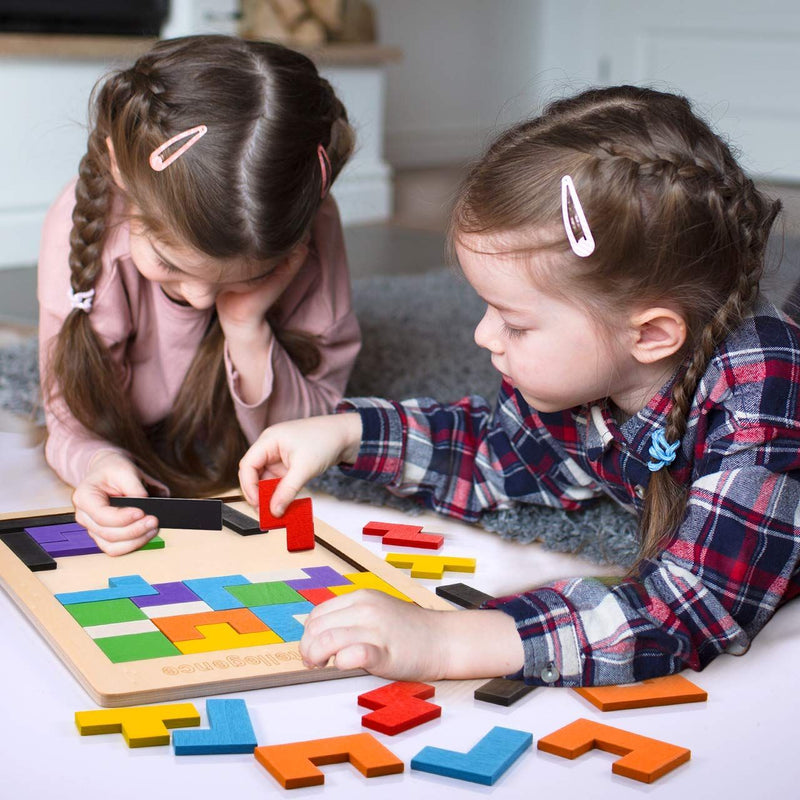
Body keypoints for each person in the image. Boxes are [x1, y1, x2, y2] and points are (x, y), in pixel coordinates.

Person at [238, 85, 800, 687]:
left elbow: (690, 607)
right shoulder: (589, 377)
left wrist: (451, 640)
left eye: (514, 323)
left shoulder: (761, 405)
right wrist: (349, 431)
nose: (482, 337)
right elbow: (497, 458)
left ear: (652, 335)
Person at [38, 35, 361, 556]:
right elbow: (69, 418)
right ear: (119, 168)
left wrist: (247, 326)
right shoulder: (86, 231)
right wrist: (94, 460)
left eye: (247, 276)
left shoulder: (311, 228)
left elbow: (309, 437)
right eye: (169, 264)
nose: (201, 299)